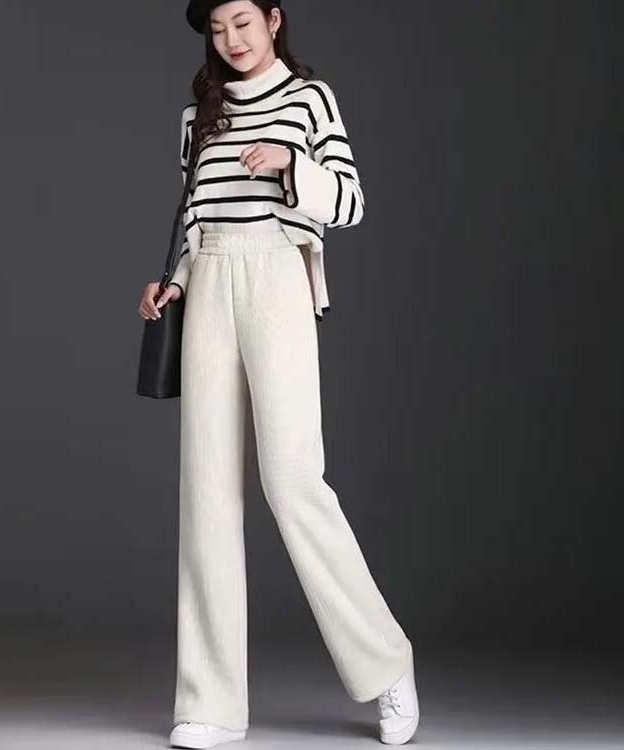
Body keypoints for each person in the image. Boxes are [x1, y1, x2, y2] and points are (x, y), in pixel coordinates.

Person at [137, 2, 420, 747]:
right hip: (209, 285)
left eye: (242, 22)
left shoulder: (309, 98)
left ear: (272, 18)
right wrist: (174, 283)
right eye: (217, 29)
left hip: (277, 274)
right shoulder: (197, 115)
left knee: (293, 482)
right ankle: (209, 702)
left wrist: (292, 164)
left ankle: (387, 664)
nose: (231, 40)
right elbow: (194, 218)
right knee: (206, 491)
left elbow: (351, 202)